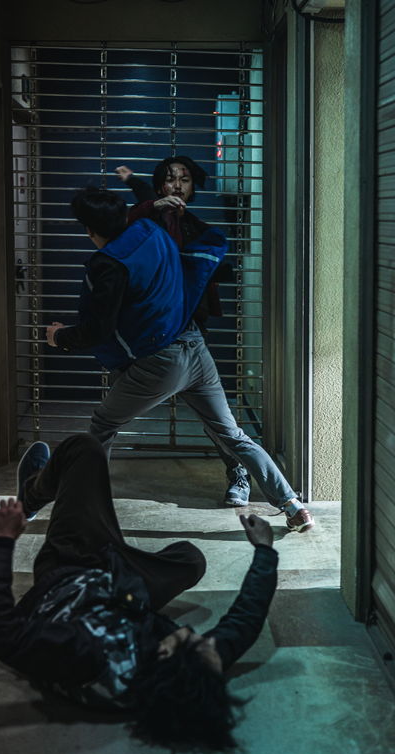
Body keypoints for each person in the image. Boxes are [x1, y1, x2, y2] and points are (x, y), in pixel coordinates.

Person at [0, 433, 279, 750]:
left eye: (192, 640)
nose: (196, 634)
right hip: (124, 594)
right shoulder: (184, 675)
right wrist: (265, 550)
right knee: (191, 560)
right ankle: (116, 547)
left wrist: (1, 542)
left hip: (72, 569)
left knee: (85, 450)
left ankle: (30, 497)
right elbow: (245, 621)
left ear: (163, 653)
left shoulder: (86, 653)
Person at [46, 186, 314, 531]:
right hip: (195, 348)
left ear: (88, 229)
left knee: (102, 426)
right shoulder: (150, 231)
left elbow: (98, 329)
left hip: (160, 363)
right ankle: (293, 506)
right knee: (233, 435)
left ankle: (82, 510)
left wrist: (59, 337)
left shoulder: (109, 264)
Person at [116, 156, 251, 507]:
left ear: (193, 186)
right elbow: (124, 227)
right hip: (144, 328)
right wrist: (148, 200)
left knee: (214, 415)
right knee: (111, 412)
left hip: (187, 329)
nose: (177, 185)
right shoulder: (147, 218)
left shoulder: (197, 227)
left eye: (185, 179)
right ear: (160, 186)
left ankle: (238, 472)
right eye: (170, 179)